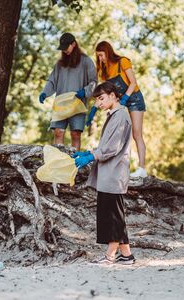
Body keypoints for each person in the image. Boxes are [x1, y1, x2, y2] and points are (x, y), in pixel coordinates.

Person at [73, 81, 135, 265]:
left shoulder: (121, 116)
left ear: (113, 95)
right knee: (114, 214)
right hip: (109, 174)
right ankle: (126, 255)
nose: (98, 103)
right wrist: (88, 152)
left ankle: (109, 256)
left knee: (112, 216)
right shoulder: (114, 115)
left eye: (101, 98)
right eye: (97, 100)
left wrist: (91, 157)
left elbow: (111, 148)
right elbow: (105, 145)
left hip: (114, 174)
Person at [87, 41, 147, 178]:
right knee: (119, 136)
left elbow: (133, 83)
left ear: (107, 52)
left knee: (136, 134)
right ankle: (121, 169)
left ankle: (142, 169)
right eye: (98, 56)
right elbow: (105, 93)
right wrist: (94, 109)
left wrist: (125, 98)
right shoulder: (104, 71)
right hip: (119, 101)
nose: (100, 59)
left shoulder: (123, 62)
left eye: (101, 55)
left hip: (134, 99)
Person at [39, 33, 97, 150]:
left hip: (77, 105)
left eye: (66, 47)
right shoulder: (60, 64)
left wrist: (85, 92)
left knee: (75, 134)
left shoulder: (86, 61)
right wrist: (45, 92)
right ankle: (58, 161)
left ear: (74, 44)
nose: (64, 50)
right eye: (62, 48)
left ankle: (74, 163)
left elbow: (94, 81)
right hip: (61, 105)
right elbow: (52, 80)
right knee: (58, 132)